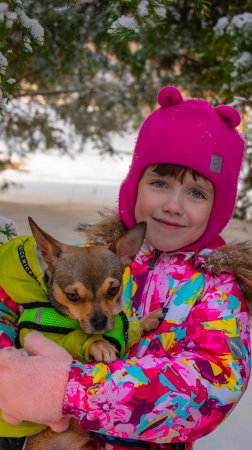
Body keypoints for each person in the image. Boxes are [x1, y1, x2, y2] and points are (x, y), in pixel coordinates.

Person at [0, 85, 251, 450]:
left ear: (219, 206)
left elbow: (209, 390)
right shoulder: (91, 259)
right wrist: (10, 370)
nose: (173, 205)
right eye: (160, 183)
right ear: (135, 186)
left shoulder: (217, 291)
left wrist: (66, 388)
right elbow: (7, 303)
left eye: (196, 193)